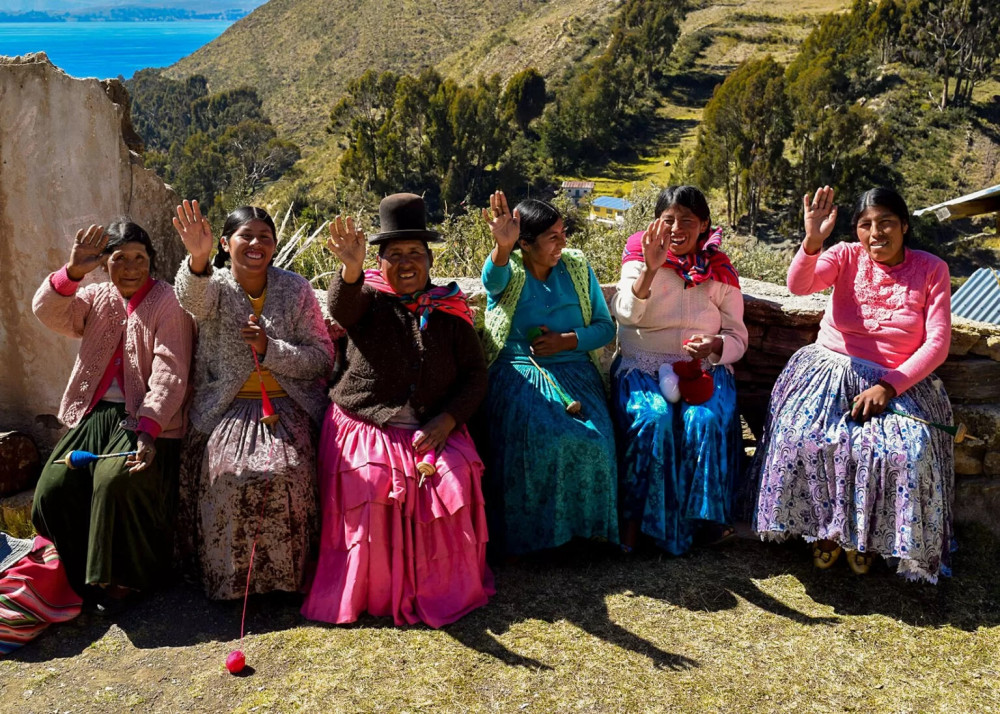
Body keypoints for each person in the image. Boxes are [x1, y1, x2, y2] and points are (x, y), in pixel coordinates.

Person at [302, 193, 493, 628]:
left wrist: (446, 422)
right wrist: (350, 268)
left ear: (429, 260)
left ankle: (441, 588)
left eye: (416, 254)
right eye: (395, 255)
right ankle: (376, 590)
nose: (407, 264)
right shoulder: (367, 296)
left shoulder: (448, 307)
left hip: (434, 426)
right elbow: (342, 307)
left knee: (455, 480)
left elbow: (475, 378)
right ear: (380, 260)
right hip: (366, 422)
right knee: (373, 483)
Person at [754, 186, 953, 582]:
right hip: (827, 372)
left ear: (905, 226)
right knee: (802, 437)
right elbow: (799, 285)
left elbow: (938, 341)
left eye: (886, 223)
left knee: (905, 452)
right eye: (866, 225)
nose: (876, 233)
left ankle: (865, 539)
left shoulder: (932, 269)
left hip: (897, 383)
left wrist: (889, 386)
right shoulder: (845, 255)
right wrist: (812, 240)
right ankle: (824, 533)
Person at [172, 201, 334, 600]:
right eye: (246, 236)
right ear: (226, 244)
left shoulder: (295, 288)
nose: (256, 243)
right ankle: (233, 582)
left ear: (276, 246)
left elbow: (322, 357)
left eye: (265, 236)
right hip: (227, 408)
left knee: (288, 472)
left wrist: (270, 349)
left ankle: (285, 581)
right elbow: (192, 300)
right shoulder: (215, 286)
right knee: (230, 474)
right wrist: (197, 256)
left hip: (288, 404)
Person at [31, 220, 194, 602]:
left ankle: (124, 580)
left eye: (140, 258)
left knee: (113, 483)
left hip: (147, 420)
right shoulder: (96, 296)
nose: (131, 267)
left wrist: (148, 429)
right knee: (52, 490)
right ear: (105, 264)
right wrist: (72, 272)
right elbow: (47, 311)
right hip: (94, 416)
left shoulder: (169, 302)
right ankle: (76, 577)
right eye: (120, 258)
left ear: (152, 261)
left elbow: (172, 373)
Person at [611, 185, 748, 555]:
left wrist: (715, 346)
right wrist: (650, 272)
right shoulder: (639, 257)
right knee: (652, 419)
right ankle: (638, 524)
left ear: (704, 224)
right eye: (668, 219)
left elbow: (738, 335)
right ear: (656, 222)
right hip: (642, 368)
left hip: (701, 370)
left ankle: (705, 523)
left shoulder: (719, 269)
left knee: (703, 420)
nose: (676, 228)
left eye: (687, 220)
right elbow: (624, 313)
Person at [480, 192, 618, 556]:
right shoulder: (510, 270)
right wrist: (501, 246)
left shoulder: (576, 266)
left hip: (573, 368)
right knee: (549, 434)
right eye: (553, 237)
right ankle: (540, 538)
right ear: (525, 243)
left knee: (597, 440)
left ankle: (588, 534)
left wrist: (569, 340)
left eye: (563, 233)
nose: (563, 243)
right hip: (520, 370)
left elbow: (605, 328)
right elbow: (491, 282)